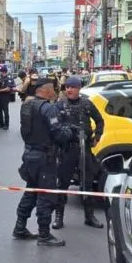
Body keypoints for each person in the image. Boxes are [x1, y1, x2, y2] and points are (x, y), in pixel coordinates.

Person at [14, 78, 76, 247]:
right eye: (53, 89)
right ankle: (44, 235)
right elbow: (58, 133)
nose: (55, 91)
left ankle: (19, 227)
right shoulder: (47, 108)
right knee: (46, 196)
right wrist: (70, 133)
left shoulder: (27, 105)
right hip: (44, 158)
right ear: (46, 90)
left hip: (29, 154)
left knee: (31, 192)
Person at [53, 76, 105, 229]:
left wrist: (97, 136)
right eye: (67, 87)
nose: (69, 89)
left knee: (87, 184)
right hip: (67, 150)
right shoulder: (60, 105)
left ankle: (89, 217)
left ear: (79, 88)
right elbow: (54, 127)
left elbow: (100, 121)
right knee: (62, 184)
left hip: (85, 149)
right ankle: (58, 217)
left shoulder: (87, 104)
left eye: (72, 87)